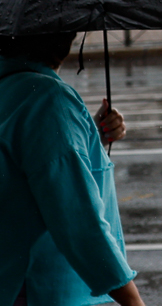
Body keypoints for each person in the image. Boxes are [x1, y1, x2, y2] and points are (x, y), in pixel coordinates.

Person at [0, 32, 146, 306]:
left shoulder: (11, 89)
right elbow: (78, 218)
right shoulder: (48, 100)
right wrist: (132, 300)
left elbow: (22, 171)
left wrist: (89, 136)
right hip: (43, 288)